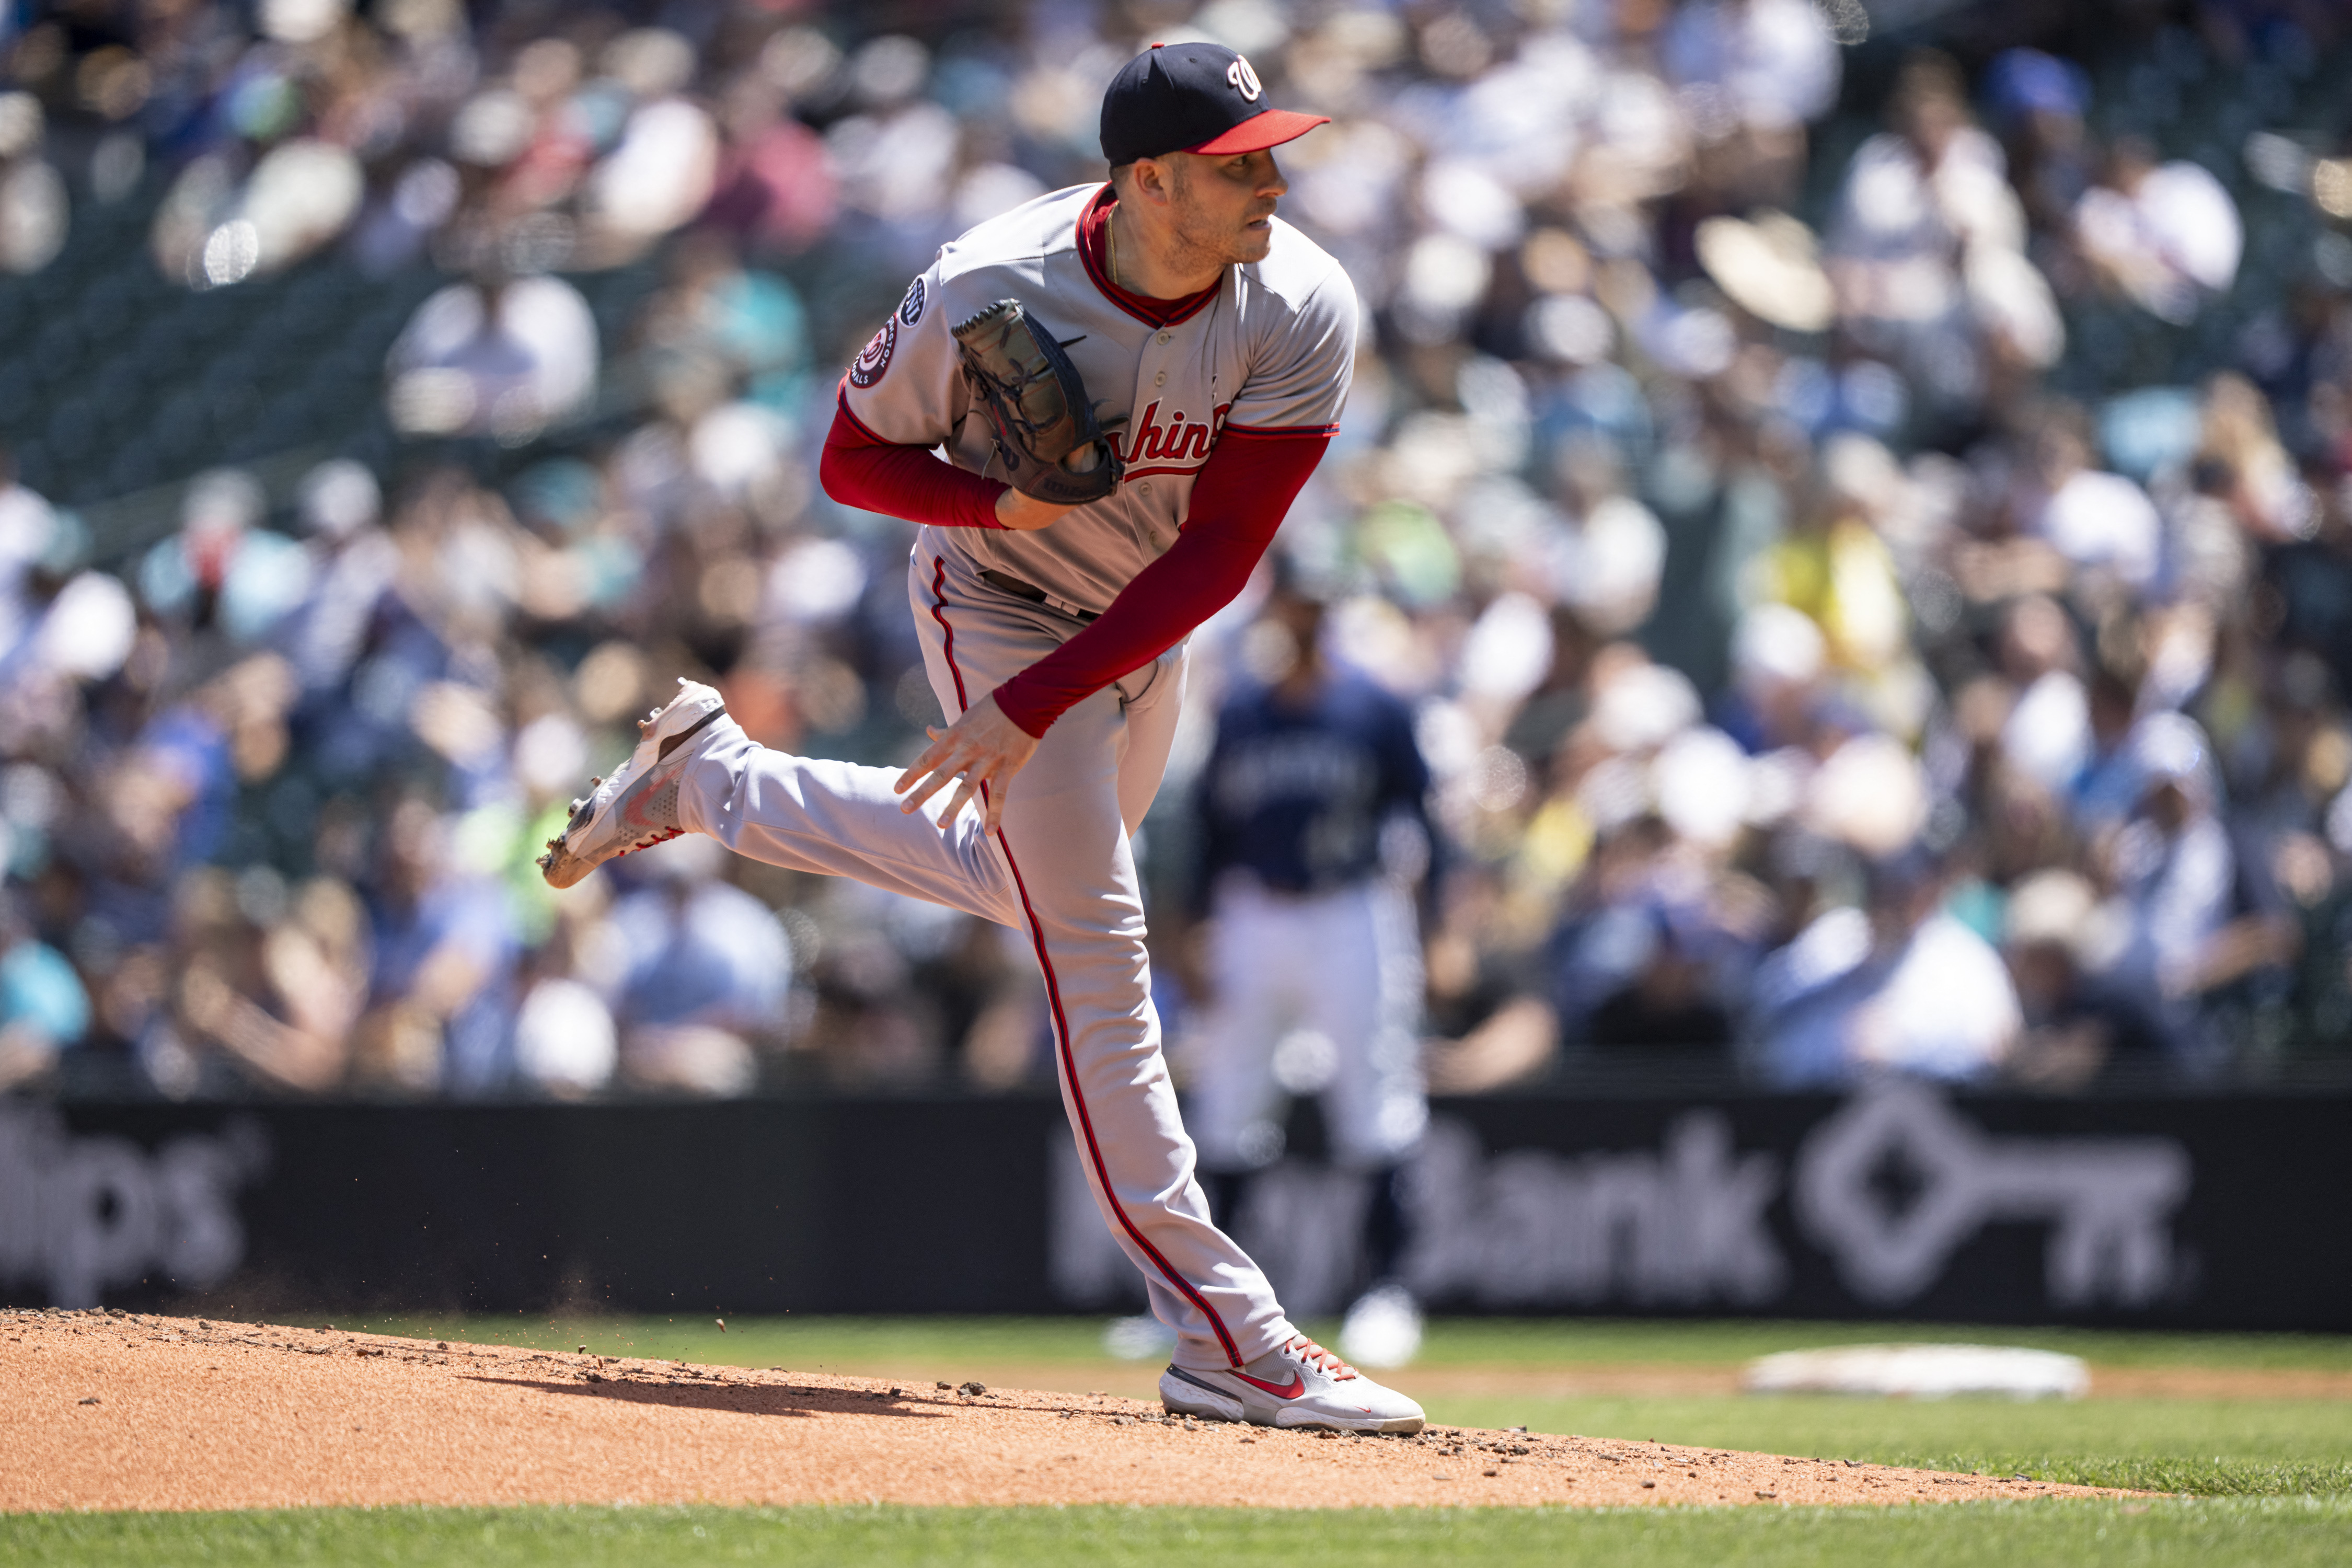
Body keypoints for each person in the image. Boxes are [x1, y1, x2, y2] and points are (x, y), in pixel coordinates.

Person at [535, 42, 1423, 1434]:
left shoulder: (1300, 300)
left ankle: (715, 782)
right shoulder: (987, 282)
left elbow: (1222, 556)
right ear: (1144, 180)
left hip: (1135, 634)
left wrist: (1035, 711)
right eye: (1237, 159)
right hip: (997, 602)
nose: (1273, 177)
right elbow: (847, 457)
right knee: (1098, 937)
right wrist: (994, 518)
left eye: (1273, 150)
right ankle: (1227, 1337)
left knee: (1037, 886)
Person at [1183, 567, 1435, 1369]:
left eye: (1317, 606)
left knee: (1375, 1093)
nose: (1304, 619)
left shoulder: (1376, 707)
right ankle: (1210, 1304)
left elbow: (1425, 818)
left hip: (1351, 908)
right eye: (1296, 604)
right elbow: (1209, 830)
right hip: (1256, 910)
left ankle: (1387, 1291)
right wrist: (1194, 926)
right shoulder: (1244, 709)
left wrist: (1443, 922)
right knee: (1230, 1097)